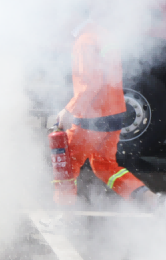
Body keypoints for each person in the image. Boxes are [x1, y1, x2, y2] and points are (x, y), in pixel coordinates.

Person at [56, 17, 155, 205]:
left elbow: (91, 82)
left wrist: (69, 110)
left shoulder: (84, 42)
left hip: (91, 116)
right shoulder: (102, 34)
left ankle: (65, 219)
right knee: (105, 166)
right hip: (114, 113)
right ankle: (151, 201)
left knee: (66, 164)